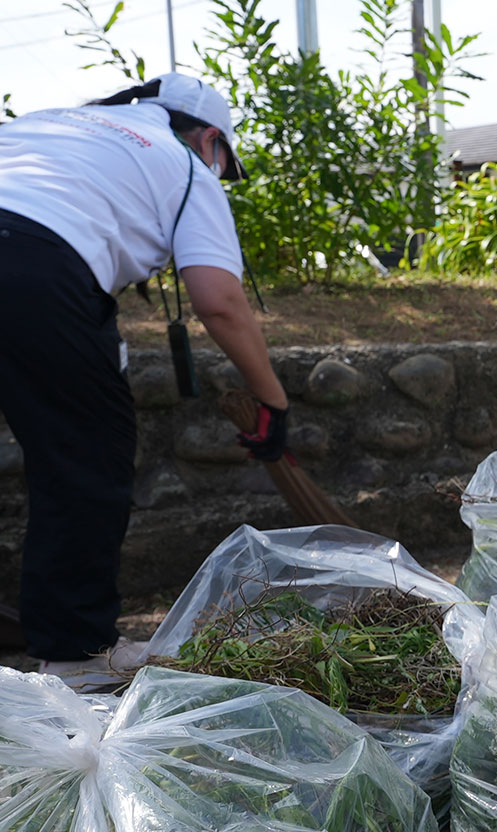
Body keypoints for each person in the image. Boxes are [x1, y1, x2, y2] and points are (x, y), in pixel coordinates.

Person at [0, 74, 290, 690]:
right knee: (87, 454)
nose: (219, 174)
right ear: (210, 139)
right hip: (29, 262)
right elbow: (219, 302)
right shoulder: (184, 166)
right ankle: (76, 652)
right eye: (223, 163)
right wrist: (273, 401)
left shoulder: (51, 122)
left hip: (32, 253)